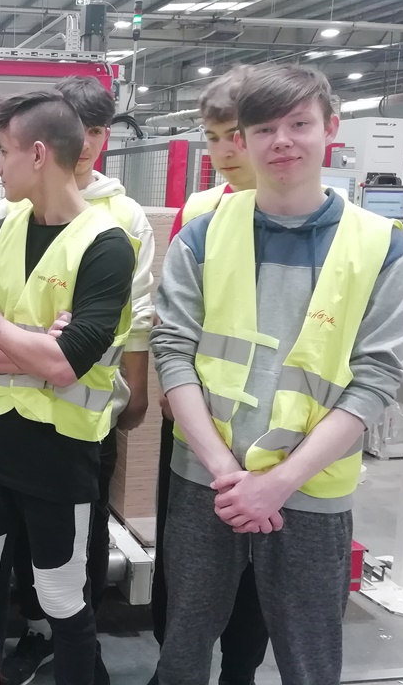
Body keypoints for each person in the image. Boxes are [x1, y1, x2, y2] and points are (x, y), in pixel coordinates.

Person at [151, 64, 403, 685]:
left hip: (312, 490)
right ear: (242, 138)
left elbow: (376, 377)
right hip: (207, 481)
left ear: (331, 128)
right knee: (182, 646)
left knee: (309, 657)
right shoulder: (202, 236)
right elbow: (173, 351)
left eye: (299, 124)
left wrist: (278, 483)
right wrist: (227, 471)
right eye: (264, 128)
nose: (282, 141)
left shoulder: (381, 247)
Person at [0, 89, 135, 685]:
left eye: (2, 152)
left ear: (37, 154)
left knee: (59, 594)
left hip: (58, 453)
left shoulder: (107, 245)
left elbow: (66, 365)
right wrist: (32, 346)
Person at [149, 66, 269, 685]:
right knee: (184, 565)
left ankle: (239, 671)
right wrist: (174, 394)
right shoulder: (200, 210)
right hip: (198, 428)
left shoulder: (309, 214)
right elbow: (174, 317)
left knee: (257, 571)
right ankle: (175, 665)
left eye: (237, 136)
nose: (225, 151)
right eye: (214, 137)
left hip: (273, 433)